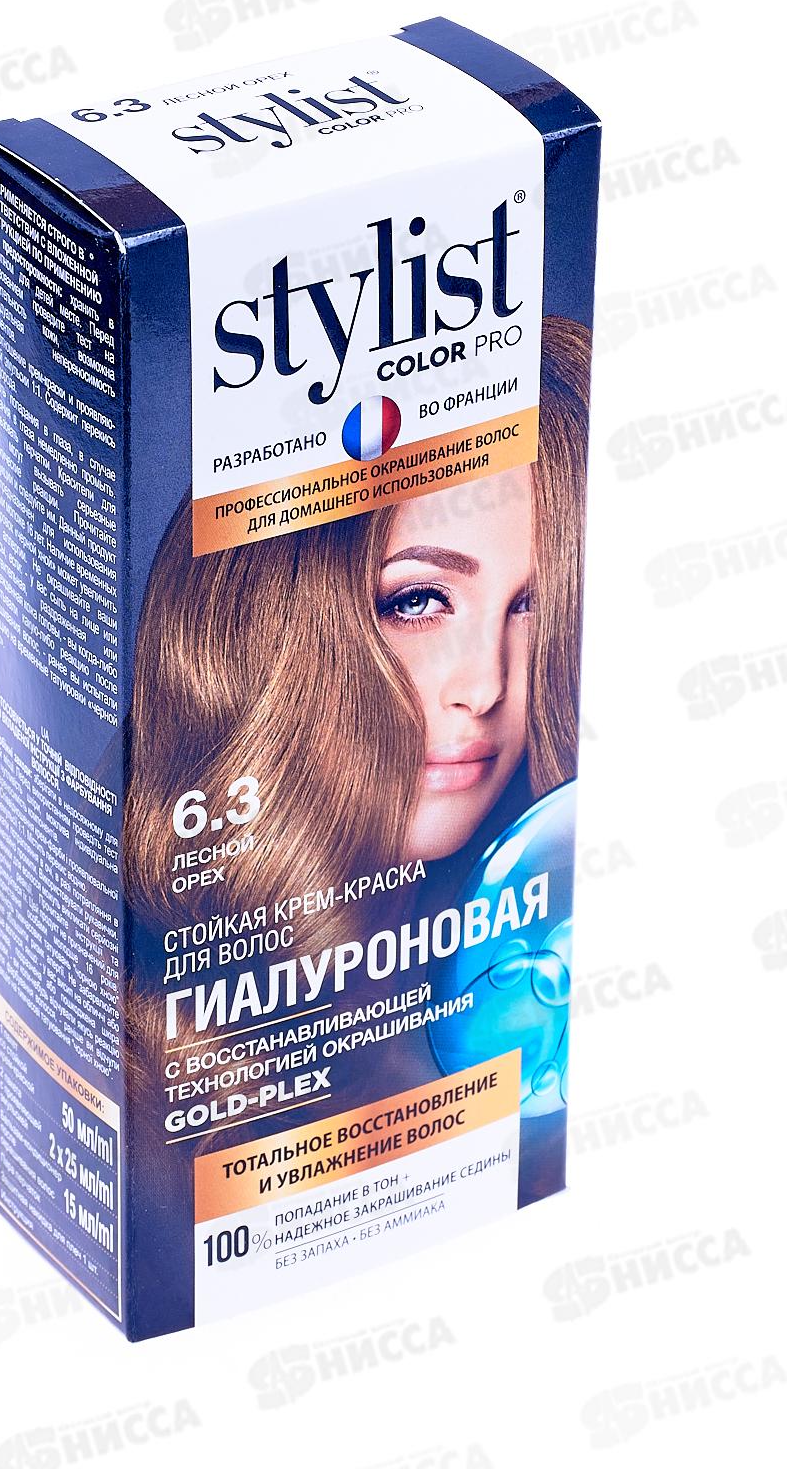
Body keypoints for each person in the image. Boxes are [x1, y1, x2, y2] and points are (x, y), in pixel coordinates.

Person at [121, 317, 591, 1320]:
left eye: (529, 607)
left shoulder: (535, 1000)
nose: (486, 686)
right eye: (418, 600)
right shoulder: (139, 1066)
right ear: (268, 625)